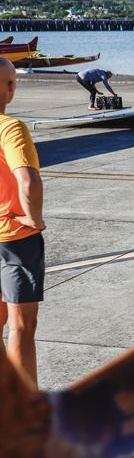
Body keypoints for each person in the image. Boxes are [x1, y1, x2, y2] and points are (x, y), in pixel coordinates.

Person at [0, 57, 45, 390]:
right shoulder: (10, 128)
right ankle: (25, 410)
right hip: (14, 238)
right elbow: (28, 181)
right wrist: (33, 217)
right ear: (10, 87)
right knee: (20, 326)